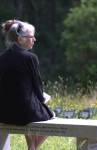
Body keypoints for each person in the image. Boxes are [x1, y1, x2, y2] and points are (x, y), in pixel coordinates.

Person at [0, 19, 55, 150]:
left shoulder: (1, 58)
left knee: (29, 106)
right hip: (23, 113)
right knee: (50, 115)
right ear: (20, 39)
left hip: (3, 113)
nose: (34, 39)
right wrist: (43, 100)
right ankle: (33, 147)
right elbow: (38, 87)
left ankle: (31, 146)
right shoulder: (30, 58)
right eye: (31, 37)